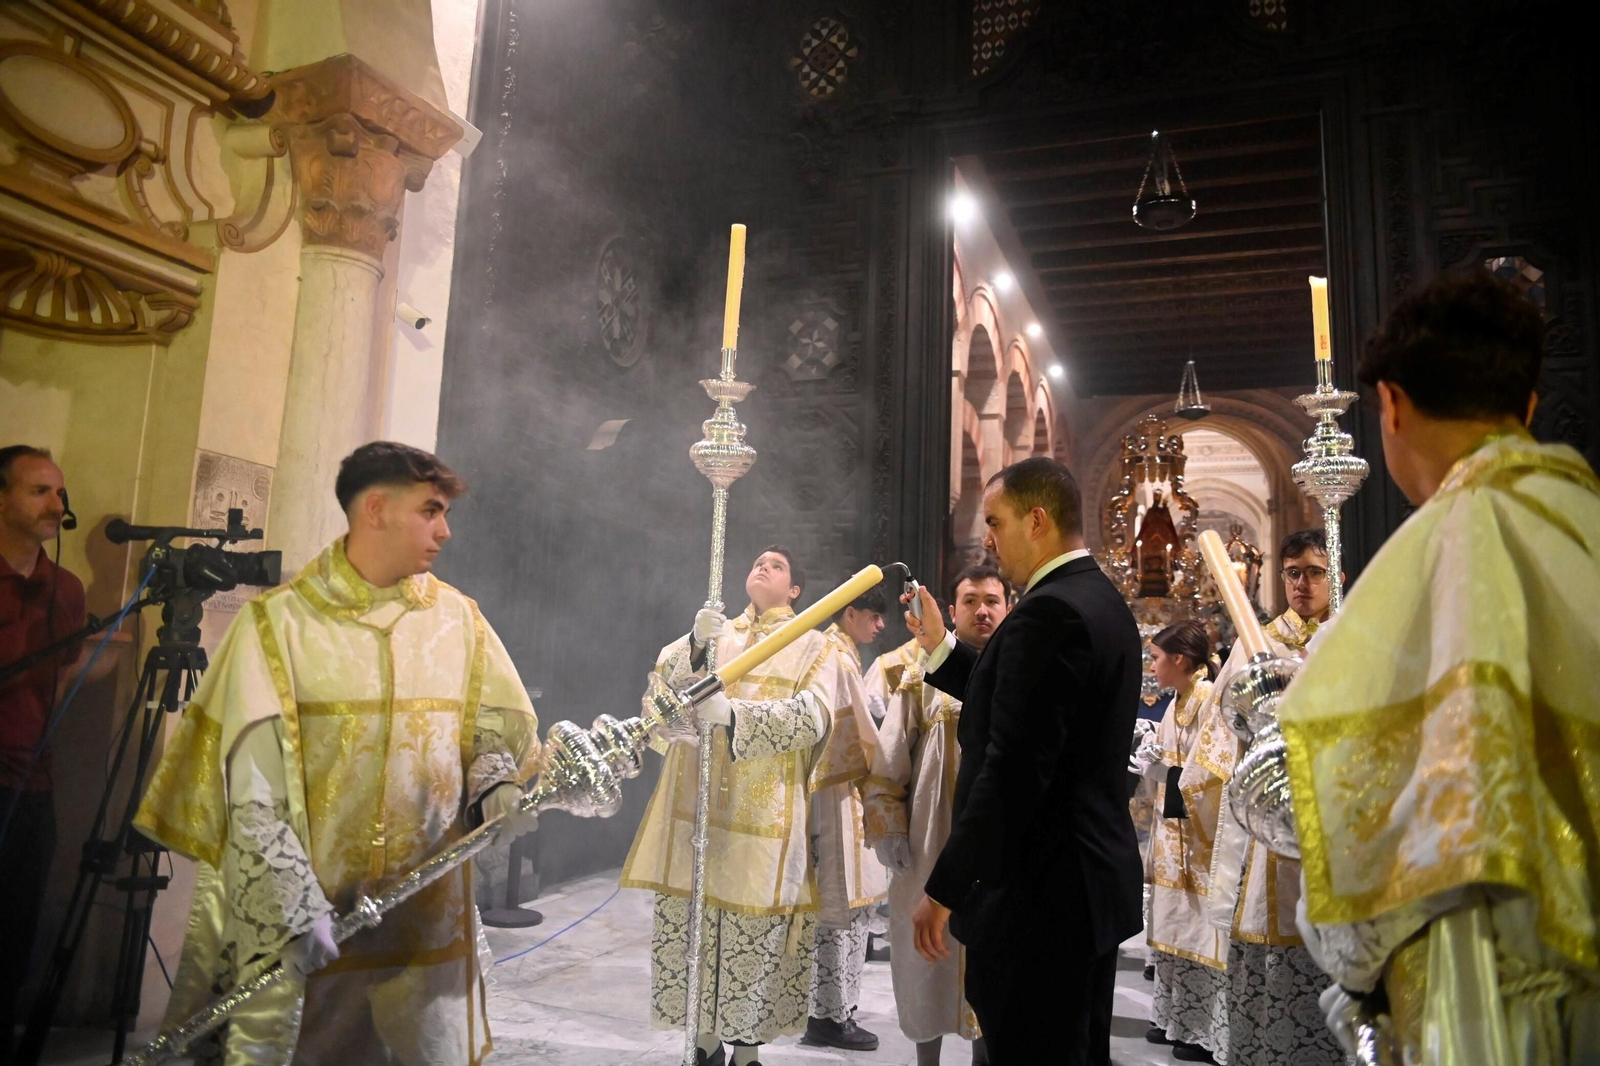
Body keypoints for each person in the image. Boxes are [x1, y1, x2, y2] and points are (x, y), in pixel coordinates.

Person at [1275, 270, 1600, 1062]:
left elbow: (1392, 853)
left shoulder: (1459, 540)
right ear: (1526, 406)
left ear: (1389, 404)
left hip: (1500, 995)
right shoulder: (1583, 524)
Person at [135, 441, 541, 1065]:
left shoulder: (459, 621)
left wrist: (495, 784)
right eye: (430, 511)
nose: (444, 531)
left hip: (423, 925)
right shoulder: (280, 626)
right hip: (314, 928)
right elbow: (250, 789)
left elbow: (489, 727)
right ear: (375, 508)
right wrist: (294, 909)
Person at [904, 457, 1143, 1066]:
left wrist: (946, 886)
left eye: (995, 520)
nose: (987, 536)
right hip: (1083, 885)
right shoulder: (1095, 598)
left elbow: (1013, 769)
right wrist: (940, 649)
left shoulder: (1048, 612)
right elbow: (1023, 702)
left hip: (1041, 898)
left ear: (1036, 520)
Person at [621, 547, 868, 1066]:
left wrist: (734, 716)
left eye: (778, 565)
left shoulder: (813, 645)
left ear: (796, 590)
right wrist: (692, 644)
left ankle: (747, 1053)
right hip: (699, 813)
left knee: (753, 938)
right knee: (697, 926)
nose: (764, 567)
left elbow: (814, 718)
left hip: (766, 823)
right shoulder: (716, 635)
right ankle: (704, 1044)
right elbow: (659, 700)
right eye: (758, 561)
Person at [1178, 528, 1347, 1066]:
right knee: (1267, 939)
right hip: (1270, 819)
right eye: (1292, 573)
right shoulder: (1261, 642)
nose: (1302, 584)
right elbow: (1217, 739)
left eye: (1315, 572)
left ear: (1335, 578)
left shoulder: (1355, 638)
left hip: (1338, 817)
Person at [863, 563, 1008, 1066]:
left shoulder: (1019, 671)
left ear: (1007, 607)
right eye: (971, 601)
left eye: (992, 600)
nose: (983, 610)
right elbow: (890, 756)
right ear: (951, 610)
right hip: (930, 847)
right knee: (926, 961)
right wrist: (888, 826)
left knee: (992, 971)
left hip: (996, 852)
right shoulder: (919, 672)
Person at [0, 446, 85, 1061]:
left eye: (60, 493)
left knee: (16, 926)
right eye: (39, 492)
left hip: (33, 784)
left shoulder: (67, 589)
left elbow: (62, 677)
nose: (57, 505)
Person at [1129, 621, 1222, 1062]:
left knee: (1198, 928)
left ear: (1180, 660)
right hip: (1175, 834)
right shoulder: (1178, 700)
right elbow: (1171, 757)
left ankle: (1200, 1030)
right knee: (1173, 924)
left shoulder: (1207, 699)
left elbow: (1211, 773)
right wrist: (1152, 756)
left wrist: (1162, 773)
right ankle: (1174, 1019)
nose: (1153, 666)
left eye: (1157, 658)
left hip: (1199, 840)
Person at [807, 588, 891, 1051]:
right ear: (850, 612)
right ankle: (832, 1016)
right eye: (874, 616)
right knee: (842, 910)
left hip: (834, 792)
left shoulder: (838, 650)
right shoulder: (836, 655)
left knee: (838, 911)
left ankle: (828, 1011)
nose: (880, 626)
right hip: (839, 795)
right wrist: (893, 770)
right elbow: (864, 736)